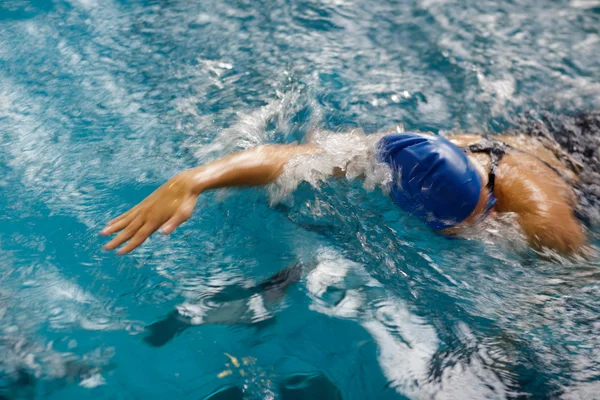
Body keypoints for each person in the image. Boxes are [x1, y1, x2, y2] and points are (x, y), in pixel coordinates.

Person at [100, 127, 587, 255]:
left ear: (488, 197)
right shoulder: (399, 156)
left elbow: (575, 284)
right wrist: (191, 180)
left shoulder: (545, 222)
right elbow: (284, 157)